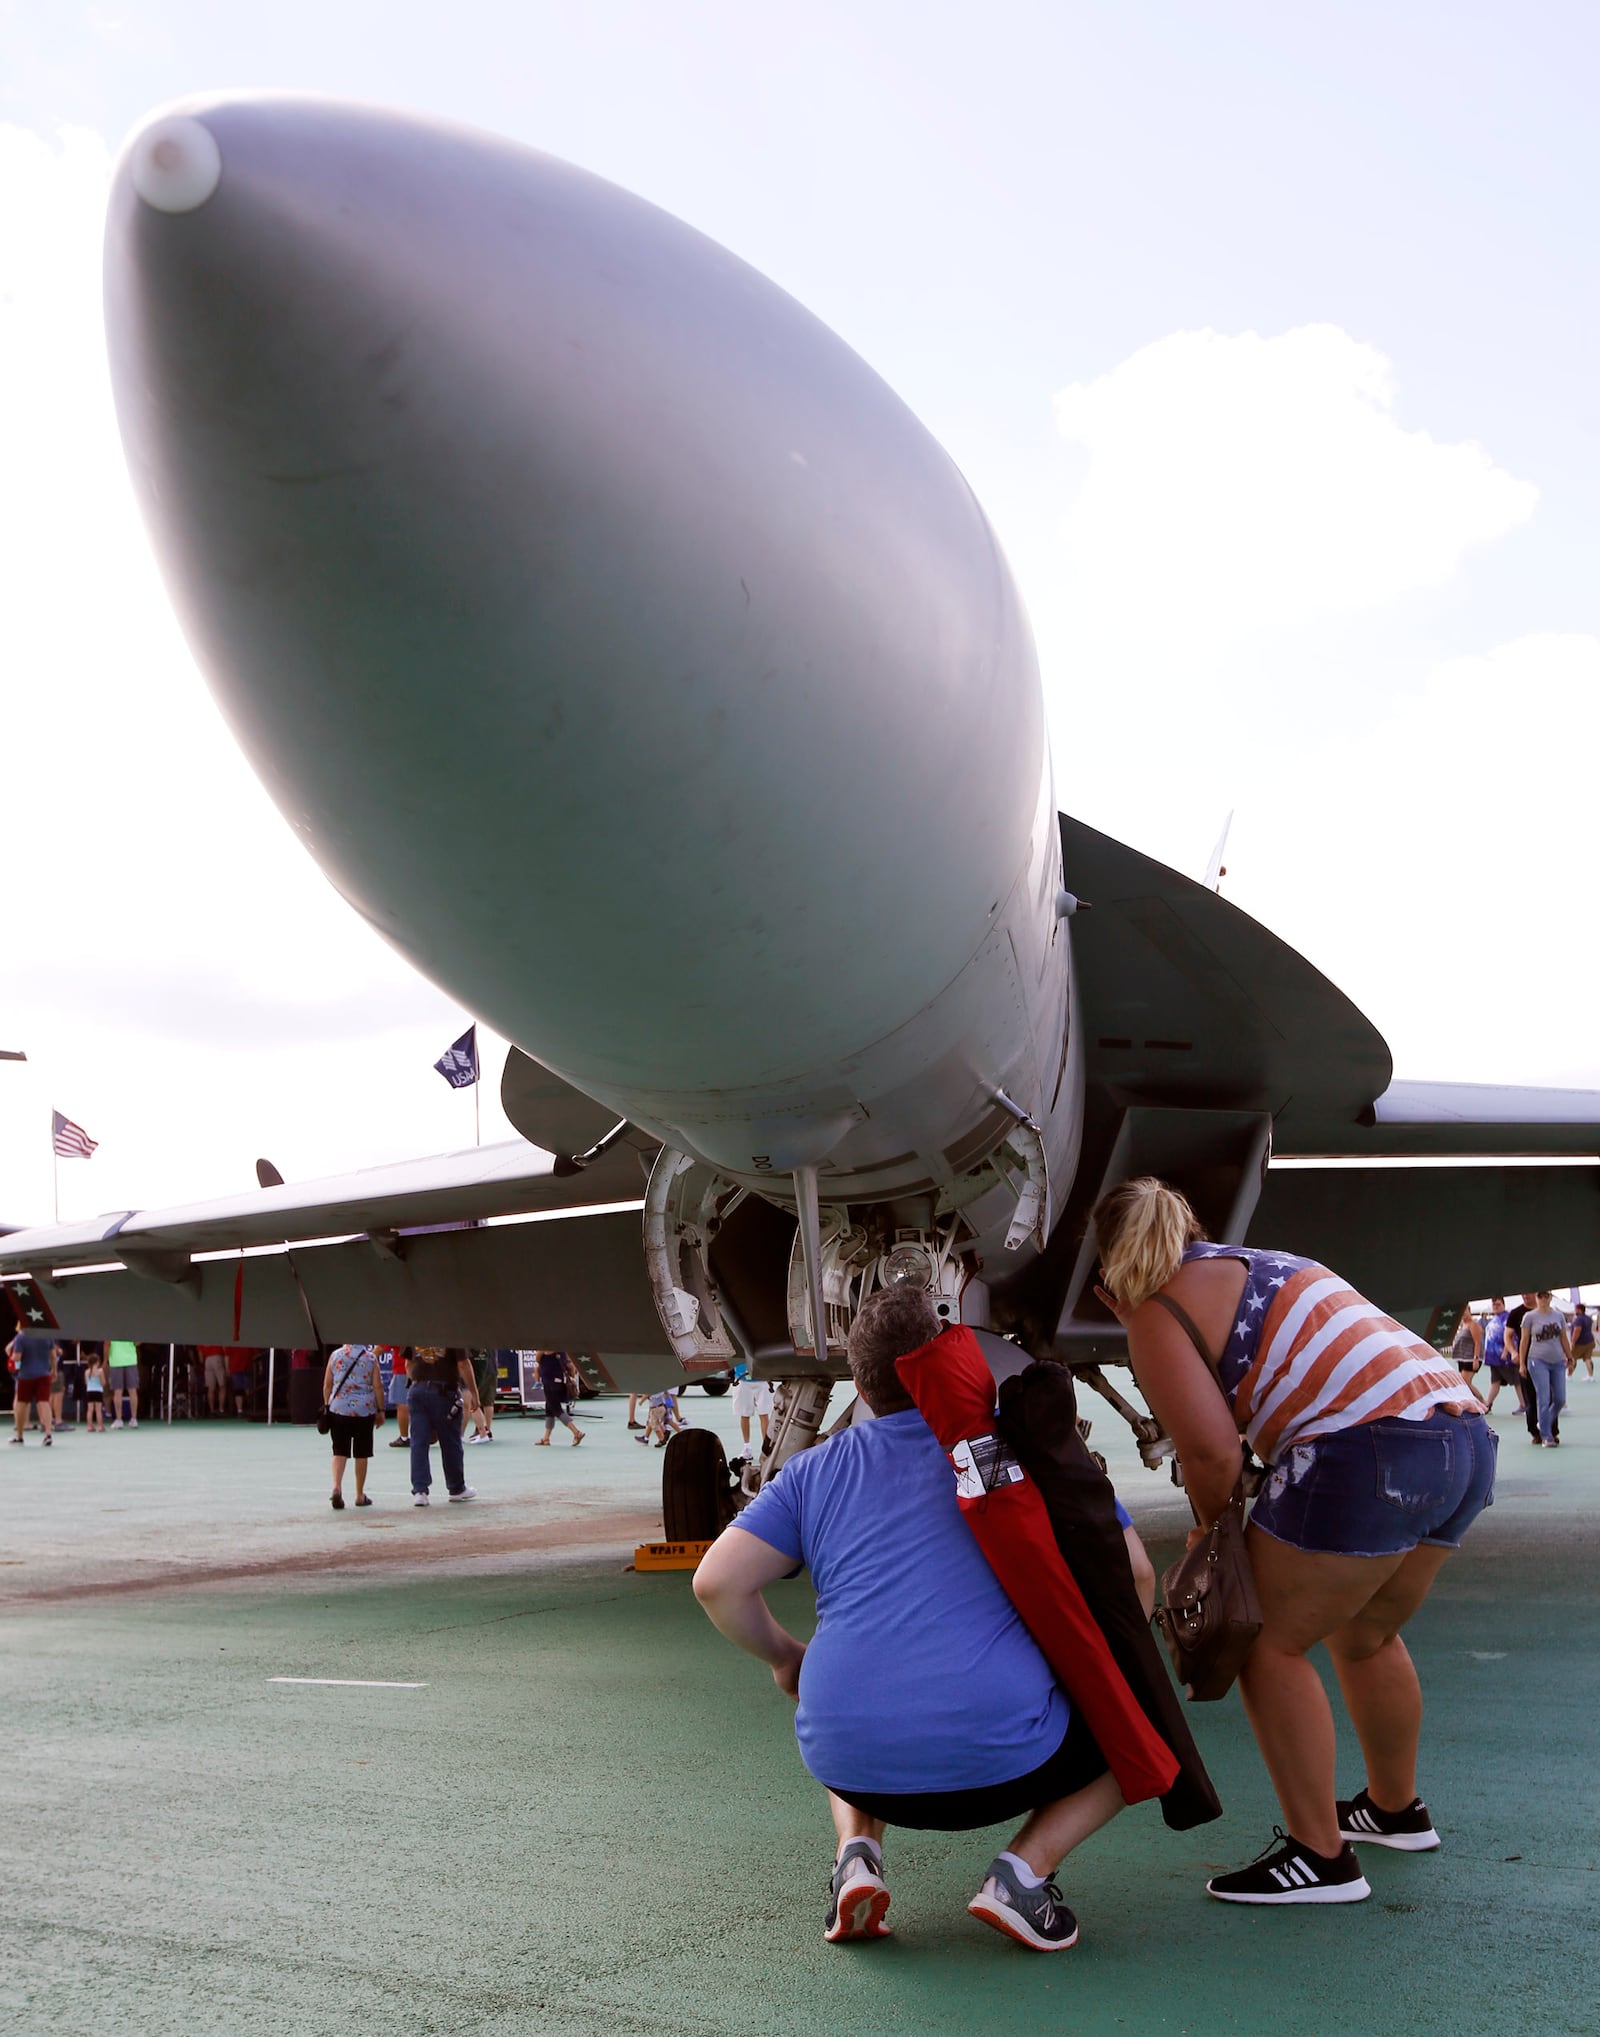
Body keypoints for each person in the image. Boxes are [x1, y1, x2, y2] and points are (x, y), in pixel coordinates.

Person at [693, 1284, 1149, 1954]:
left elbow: (716, 1582)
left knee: (849, 1684)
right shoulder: (1018, 1455)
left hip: (852, 1762)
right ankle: (1023, 1872)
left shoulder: (812, 1470)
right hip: (1007, 1763)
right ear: (949, 1359)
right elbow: (1137, 1573)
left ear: (862, 1381)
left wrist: (787, 1657)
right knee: (1135, 1706)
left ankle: (856, 1855)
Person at [1088, 1177, 1496, 1906]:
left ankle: (1320, 1855)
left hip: (1373, 1448)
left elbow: (1212, 1455)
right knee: (1366, 1634)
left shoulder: (1156, 1309)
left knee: (1264, 1640)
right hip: (1462, 1435)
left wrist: (1220, 1546)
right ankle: (1394, 1809)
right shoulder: (1266, 1263)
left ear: (1105, 1271)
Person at [406, 1347, 478, 1506]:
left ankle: (420, 1490)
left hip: (417, 1388)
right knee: (450, 1441)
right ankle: (456, 1488)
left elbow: (408, 1364)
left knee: (418, 1442)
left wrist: (418, 1384)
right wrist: (474, 1393)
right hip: (444, 1390)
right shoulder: (452, 1330)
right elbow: (463, 1364)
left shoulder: (414, 1328)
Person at [323, 1341, 384, 1508]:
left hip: (339, 1408)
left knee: (339, 1450)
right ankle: (359, 1494)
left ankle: (336, 1486)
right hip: (364, 1410)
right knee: (361, 1453)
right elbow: (377, 1386)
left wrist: (327, 1406)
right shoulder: (370, 1358)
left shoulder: (335, 1355)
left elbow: (328, 1384)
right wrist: (381, 1410)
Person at [1517, 1291, 1572, 1448]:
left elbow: (1563, 1338)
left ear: (1550, 1297)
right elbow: (1524, 1341)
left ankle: (1544, 1421)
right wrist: (1522, 1363)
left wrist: (1570, 1357)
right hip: (1537, 1360)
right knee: (1543, 1397)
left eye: (1546, 1296)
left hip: (1557, 1361)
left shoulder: (1558, 1316)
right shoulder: (1530, 1317)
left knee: (1560, 1399)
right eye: (1540, 1296)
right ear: (1536, 1297)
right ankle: (1547, 1436)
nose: (1543, 1299)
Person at [8, 1327, 59, 1445]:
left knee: (21, 1403)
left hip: (26, 1375)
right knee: (44, 1402)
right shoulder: (48, 1336)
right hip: (44, 1374)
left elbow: (17, 1357)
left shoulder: (21, 1337)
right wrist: (54, 1370)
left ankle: (19, 1436)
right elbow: (52, 1355)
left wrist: (12, 1357)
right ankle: (48, 1434)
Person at [534, 1349, 585, 1446]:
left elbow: (537, 1358)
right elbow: (570, 1365)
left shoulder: (545, 1347)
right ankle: (546, 1438)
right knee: (549, 1408)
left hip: (549, 1382)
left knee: (556, 1409)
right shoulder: (563, 1349)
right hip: (559, 1381)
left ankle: (576, 1432)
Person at [1478, 1298, 1518, 1413]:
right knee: (1495, 1381)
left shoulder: (1507, 1317)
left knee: (1516, 1381)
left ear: (1503, 1305)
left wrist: (1506, 1351)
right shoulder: (1494, 1318)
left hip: (1504, 1357)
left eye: (1498, 1304)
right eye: (1494, 1304)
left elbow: (1510, 1335)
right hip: (1493, 1358)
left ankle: (1523, 1404)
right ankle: (1488, 1404)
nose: (1495, 1306)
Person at [731, 1368, 774, 1459]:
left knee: (764, 1414)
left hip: (763, 1379)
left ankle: (766, 1448)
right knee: (744, 1415)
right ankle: (747, 1447)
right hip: (742, 1379)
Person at [106, 1338, 140, 1428]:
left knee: (118, 1391)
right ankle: (133, 1419)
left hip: (117, 1360)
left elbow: (107, 1343)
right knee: (132, 1391)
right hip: (129, 1360)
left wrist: (105, 1361)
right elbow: (137, 1342)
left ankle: (119, 1420)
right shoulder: (132, 1325)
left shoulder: (111, 1326)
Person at [1449, 1306, 1482, 1381]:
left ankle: (1479, 1394)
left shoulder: (1473, 1324)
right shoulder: (1462, 1325)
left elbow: (1477, 1342)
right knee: (1465, 1382)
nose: (1463, 1312)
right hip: (1463, 1358)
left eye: (1465, 1310)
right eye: (1461, 1311)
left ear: (1469, 1311)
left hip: (1471, 1358)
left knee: (1465, 1382)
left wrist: (1476, 1359)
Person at [225, 1345, 255, 1419]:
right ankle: (240, 1410)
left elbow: (255, 1354)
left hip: (247, 1368)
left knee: (248, 1389)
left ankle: (250, 1408)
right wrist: (227, 1368)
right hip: (236, 1369)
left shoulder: (250, 1341)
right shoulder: (232, 1342)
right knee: (238, 1390)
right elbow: (227, 1356)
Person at [1569, 1299, 1595, 1381]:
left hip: (1580, 1343)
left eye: (1575, 1309)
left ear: (1579, 1310)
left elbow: (1577, 1330)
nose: (1575, 1311)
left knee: (1572, 1358)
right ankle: (1590, 1376)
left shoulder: (1579, 1319)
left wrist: (1573, 1342)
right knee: (1588, 1359)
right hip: (1590, 1341)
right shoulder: (1588, 1318)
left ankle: (1569, 1375)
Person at [199, 1344, 228, 1416]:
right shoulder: (217, 1334)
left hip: (207, 1360)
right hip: (217, 1356)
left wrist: (202, 1363)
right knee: (222, 1386)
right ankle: (221, 1409)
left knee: (211, 1388)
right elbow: (224, 1347)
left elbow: (200, 1353)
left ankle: (212, 1410)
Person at [83, 1351, 106, 1431]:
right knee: (98, 1410)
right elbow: (103, 1383)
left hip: (89, 1391)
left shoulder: (86, 1372)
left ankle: (89, 1426)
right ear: (97, 1362)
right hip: (98, 1391)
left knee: (90, 1409)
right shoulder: (100, 1371)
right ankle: (100, 1426)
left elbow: (86, 1382)